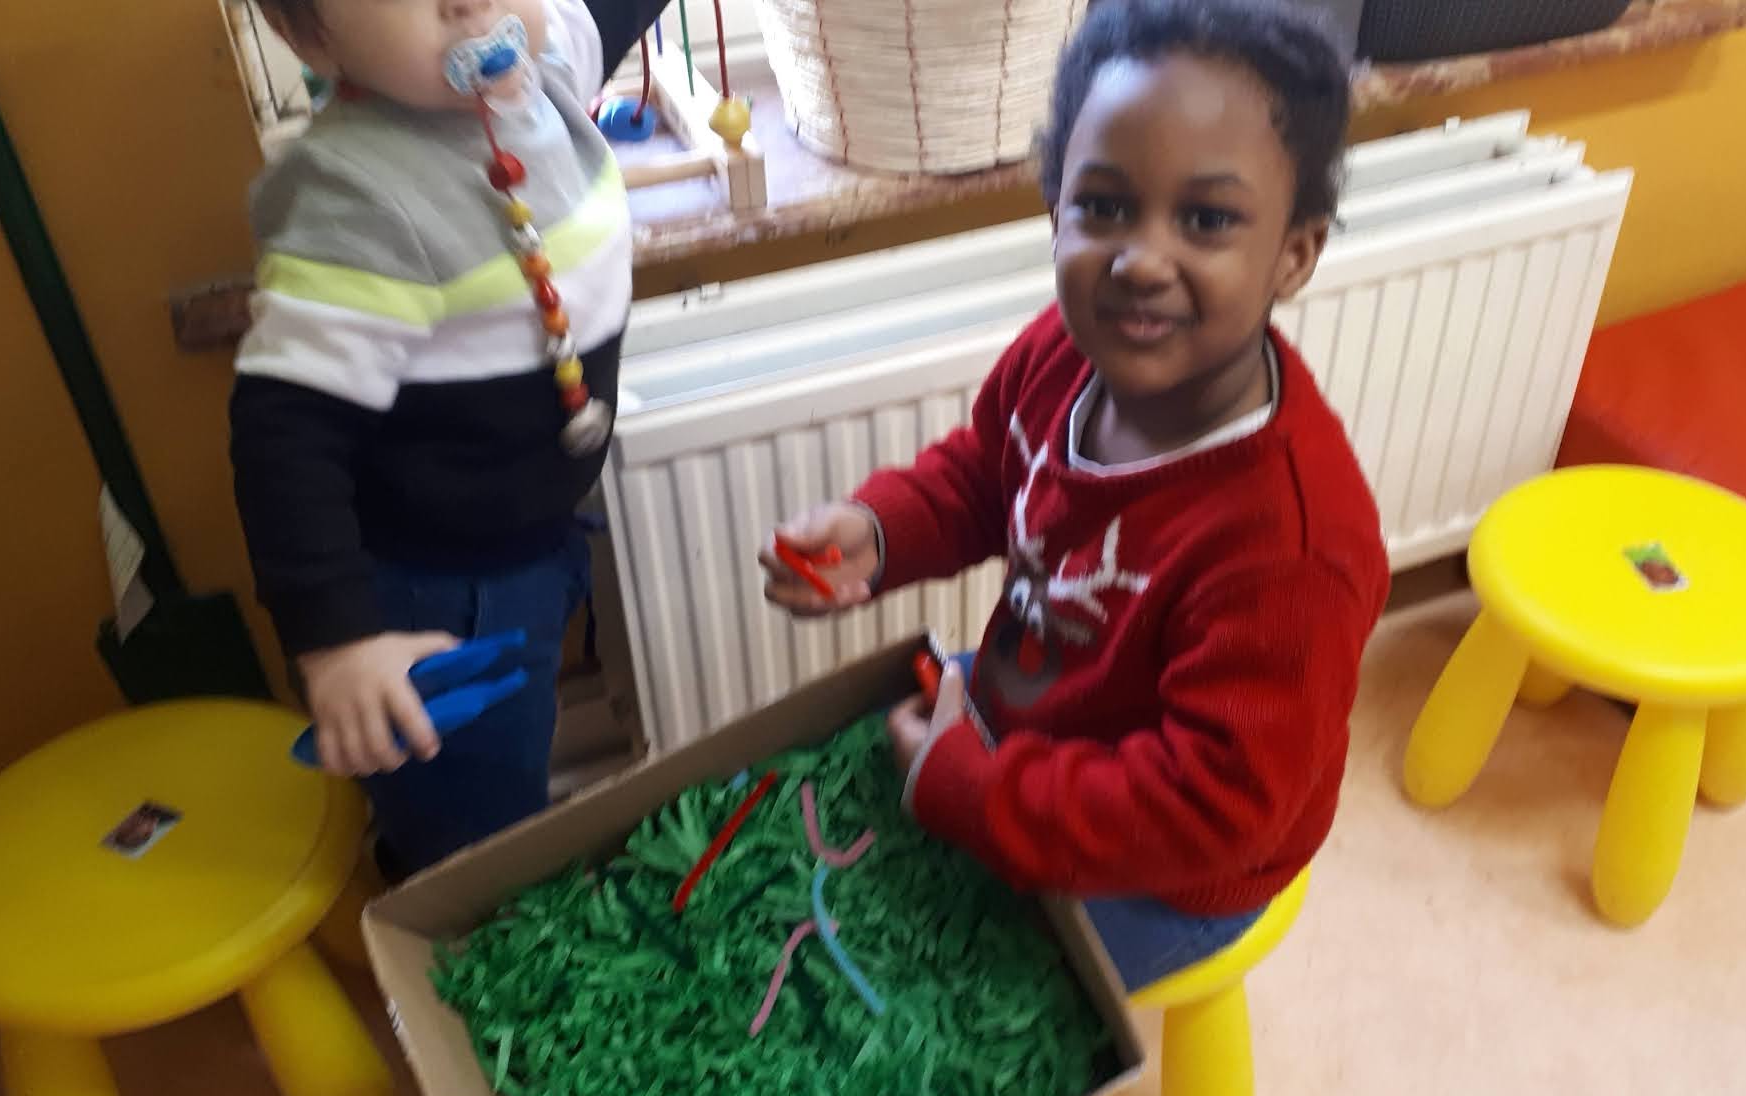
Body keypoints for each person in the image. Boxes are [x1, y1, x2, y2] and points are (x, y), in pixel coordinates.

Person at [760, 0, 1390, 992]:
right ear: (1054, 214)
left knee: (929, 1003)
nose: (1140, 260)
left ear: (1294, 253)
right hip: (1033, 714)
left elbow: (1210, 809)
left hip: (1172, 874)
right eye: (1103, 206)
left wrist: (972, 790)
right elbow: (984, 471)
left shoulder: (1291, 547)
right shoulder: (1061, 351)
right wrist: (881, 531)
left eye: (1207, 219)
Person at [232, 0, 666, 879]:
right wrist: (338, 640)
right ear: (311, 39)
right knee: (475, 839)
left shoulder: (538, 75)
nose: (469, 2)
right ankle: (476, 924)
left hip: (532, 541)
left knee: (506, 764)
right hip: (432, 599)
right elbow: (286, 437)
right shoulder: (354, 197)